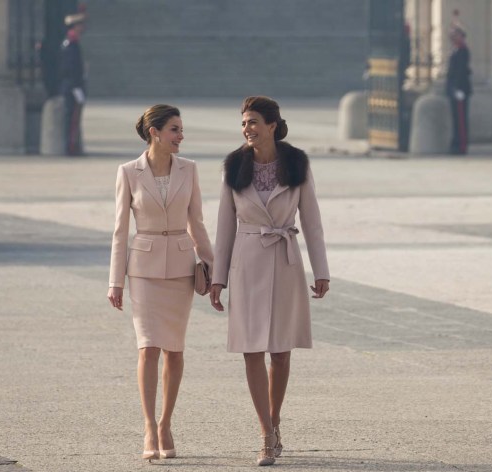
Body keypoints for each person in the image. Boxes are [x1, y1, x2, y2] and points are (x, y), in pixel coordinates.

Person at [210, 96, 330, 466]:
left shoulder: (296, 163)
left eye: (254, 122)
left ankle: (275, 422)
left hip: (284, 259)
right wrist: (218, 278)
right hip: (246, 262)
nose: (247, 129)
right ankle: (266, 433)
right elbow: (225, 225)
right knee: (250, 349)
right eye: (244, 123)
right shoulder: (234, 166)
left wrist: (321, 270)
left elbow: (311, 221)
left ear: (273, 125)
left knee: (279, 351)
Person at [107, 104, 213, 462]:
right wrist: (115, 282)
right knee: (148, 347)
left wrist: (214, 268)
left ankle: (167, 422)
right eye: (174, 129)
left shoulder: (191, 169)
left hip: (181, 268)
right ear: (154, 132)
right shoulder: (128, 172)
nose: (180, 136)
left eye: (181, 130)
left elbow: (196, 223)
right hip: (144, 269)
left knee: (175, 349)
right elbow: (120, 230)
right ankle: (149, 425)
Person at [60, 13, 87, 156]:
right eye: (80, 25)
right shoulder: (70, 44)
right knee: (72, 118)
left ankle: (73, 145)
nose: (82, 28)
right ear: (74, 27)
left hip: (73, 86)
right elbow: (70, 68)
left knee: (74, 119)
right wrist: (76, 88)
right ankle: (70, 147)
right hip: (72, 87)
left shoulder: (73, 42)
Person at [446, 26, 472, 155]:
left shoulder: (463, 50)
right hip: (454, 89)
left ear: (461, 36)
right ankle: (456, 143)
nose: (452, 37)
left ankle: (461, 146)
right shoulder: (455, 49)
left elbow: (461, 72)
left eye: (455, 35)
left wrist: (458, 89)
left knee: (461, 120)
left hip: (460, 89)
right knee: (456, 119)